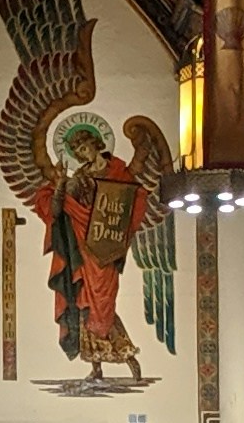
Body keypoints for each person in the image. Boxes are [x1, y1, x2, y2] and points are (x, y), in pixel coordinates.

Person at [22, 118, 161, 382]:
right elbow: (56, 209)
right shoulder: (80, 179)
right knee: (84, 304)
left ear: (95, 144)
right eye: (77, 152)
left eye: (84, 148)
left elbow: (131, 200)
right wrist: (62, 183)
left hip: (107, 250)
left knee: (104, 305)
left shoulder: (119, 171)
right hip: (84, 248)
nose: (82, 155)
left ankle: (128, 357)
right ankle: (97, 368)